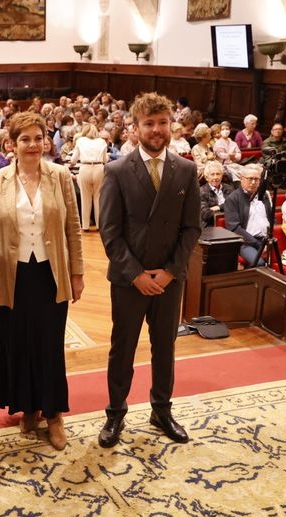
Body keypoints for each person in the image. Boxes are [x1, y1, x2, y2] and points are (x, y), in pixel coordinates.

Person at [97, 92, 201, 448]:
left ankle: (161, 410)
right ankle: (115, 413)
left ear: (171, 125)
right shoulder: (117, 170)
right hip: (130, 280)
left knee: (165, 348)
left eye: (162, 123)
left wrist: (170, 271)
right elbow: (110, 232)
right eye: (149, 123)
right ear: (135, 128)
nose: (156, 130)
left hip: (170, 279)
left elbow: (192, 228)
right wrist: (137, 275)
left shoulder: (185, 169)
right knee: (122, 348)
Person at [0, 112, 84, 451]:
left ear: (46, 141)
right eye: (25, 139)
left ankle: (53, 414)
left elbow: (73, 228)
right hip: (11, 274)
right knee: (19, 343)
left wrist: (77, 273)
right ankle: (28, 407)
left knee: (49, 345)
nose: (33, 145)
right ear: (12, 144)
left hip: (50, 273)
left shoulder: (60, 176)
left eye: (38, 138)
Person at [224, 164, 273, 266]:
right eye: (250, 179)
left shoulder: (264, 195)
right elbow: (234, 228)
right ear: (241, 179)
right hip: (246, 242)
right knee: (259, 263)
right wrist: (258, 244)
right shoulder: (233, 199)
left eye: (256, 179)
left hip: (267, 240)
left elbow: (271, 219)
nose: (253, 182)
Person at [70, 123, 109, 231]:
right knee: (98, 198)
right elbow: (105, 160)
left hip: (85, 168)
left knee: (85, 198)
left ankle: (85, 226)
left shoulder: (80, 140)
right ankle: (99, 225)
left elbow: (73, 160)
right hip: (99, 168)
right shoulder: (101, 141)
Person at [199, 161, 234, 228]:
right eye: (212, 174)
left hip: (231, 224)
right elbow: (206, 215)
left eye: (218, 174)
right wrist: (227, 208)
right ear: (206, 177)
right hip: (210, 227)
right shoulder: (201, 192)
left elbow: (236, 207)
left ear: (222, 175)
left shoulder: (229, 188)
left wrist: (218, 207)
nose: (215, 177)